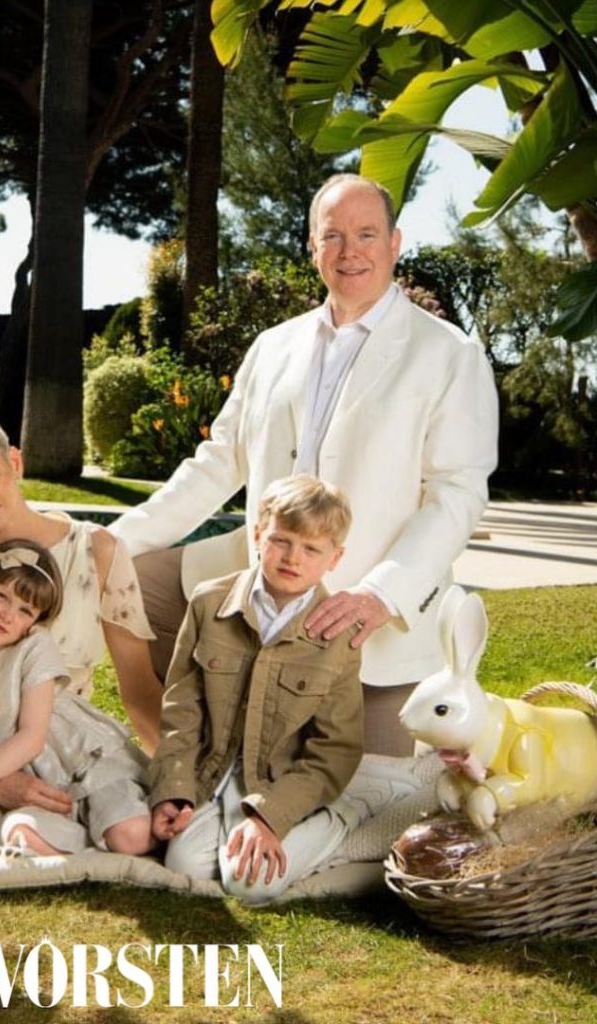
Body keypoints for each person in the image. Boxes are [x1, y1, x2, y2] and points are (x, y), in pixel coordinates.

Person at [112, 173, 500, 756]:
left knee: (372, 799)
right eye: (333, 235)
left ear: (395, 243)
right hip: (263, 587)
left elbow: (456, 495)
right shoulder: (274, 346)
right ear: (313, 246)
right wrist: (114, 541)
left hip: (370, 626)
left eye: (367, 234)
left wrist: (379, 596)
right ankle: (181, 755)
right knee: (131, 580)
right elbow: (220, 461)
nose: (350, 251)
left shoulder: (450, 353)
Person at [0, 408, 164, 822]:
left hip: (64, 756)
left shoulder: (97, 551)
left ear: (15, 462)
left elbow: (139, 692)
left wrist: (175, 787)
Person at [150, 475, 393, 903]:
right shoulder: (209, 604)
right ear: (258, 535)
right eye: (281, 541)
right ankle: (234, 832)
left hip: (284, 784)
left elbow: (334, 749)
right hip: (216, 776)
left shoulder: (338, 633)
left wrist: (270, 819)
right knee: (183, 867)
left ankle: (343, 818)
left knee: (249, 885)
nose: (293, 558)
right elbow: (181, 711)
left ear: (335, 558)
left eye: (312, 549)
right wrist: (174, 788)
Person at [0, 540, 154, 857]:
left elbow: (32, 738)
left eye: (26, 610)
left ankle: (123, 829)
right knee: (18, 833)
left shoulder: (33, 645)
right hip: (33, 790)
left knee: (131, 837)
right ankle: (86, 845)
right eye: (1, 596)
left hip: (85, 763)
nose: (8, 615)